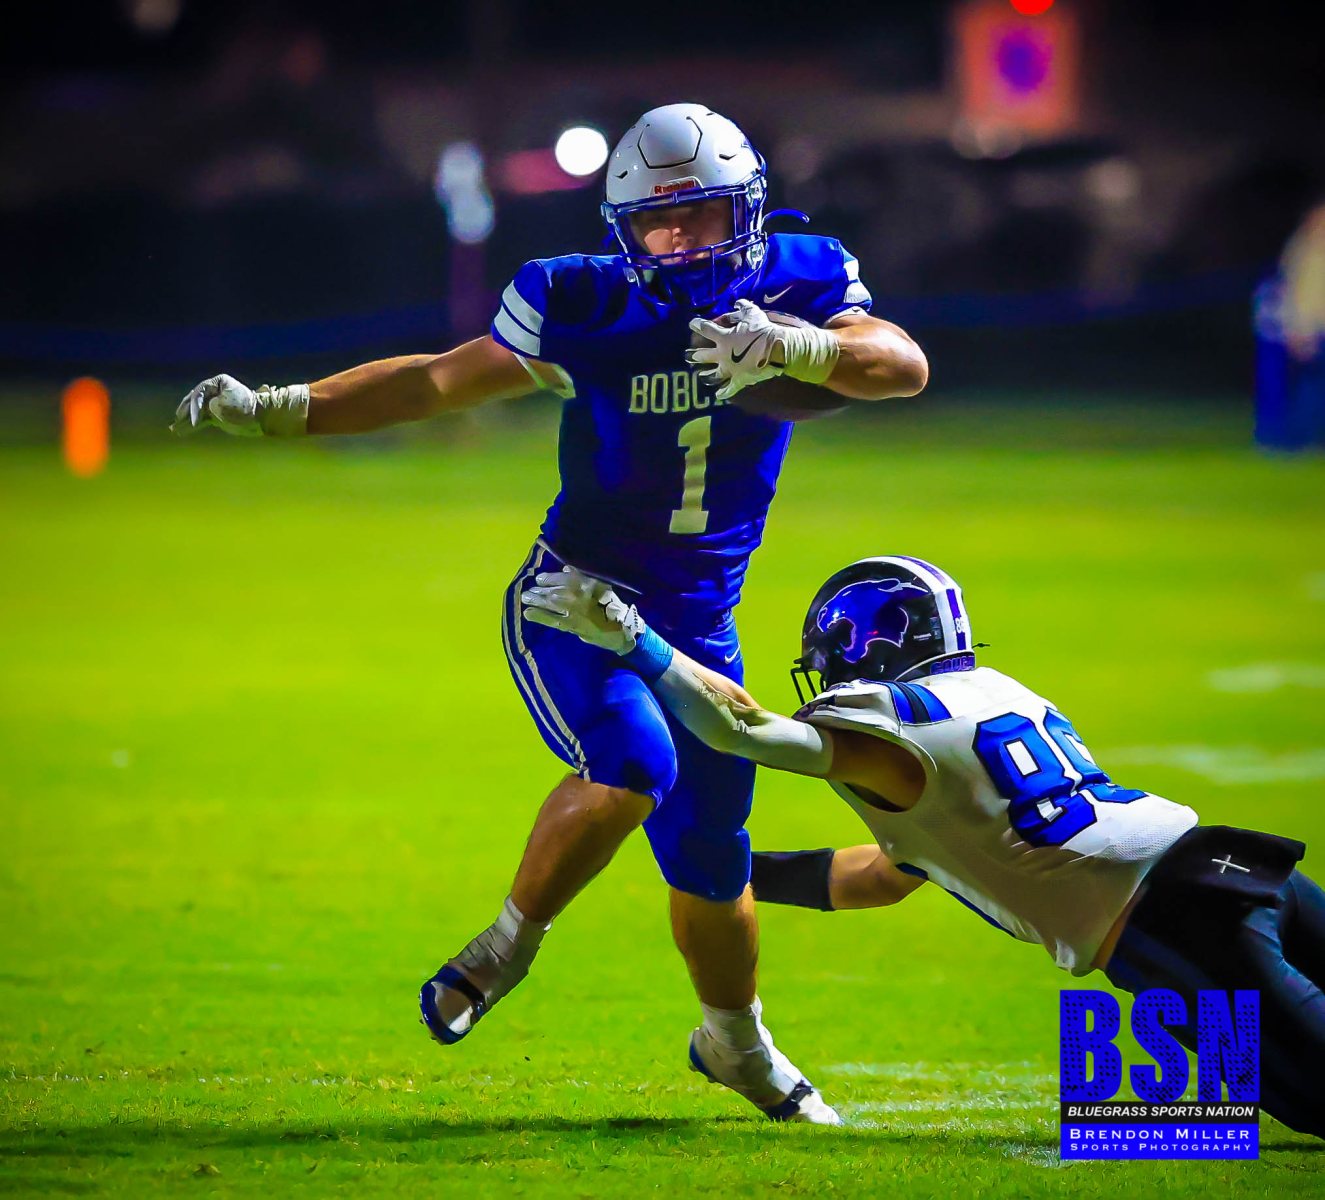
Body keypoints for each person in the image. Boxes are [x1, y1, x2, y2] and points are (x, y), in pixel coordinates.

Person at [171, 103, 929, 1124]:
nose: (679, 241)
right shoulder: (580, 299)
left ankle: (736, 1044)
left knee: (712, 859)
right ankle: (502, 950)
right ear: (621, 228)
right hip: (576, 598)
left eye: (700, 216)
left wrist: (797, 346)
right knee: (634, 765)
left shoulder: (800, 278)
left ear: (747, 210)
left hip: (700, 623)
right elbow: (436, 382)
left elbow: (901, 365)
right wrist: (285, 408)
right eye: (656, 222)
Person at [520, 557, 1325, 1139]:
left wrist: (636, 641)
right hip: (1235, 866)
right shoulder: (999, 693)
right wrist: (726, 878)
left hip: (1171, 928)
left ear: (859, 644)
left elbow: (740, 728)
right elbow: (880, 876)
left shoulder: (887, 723)